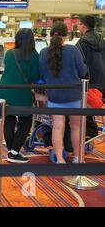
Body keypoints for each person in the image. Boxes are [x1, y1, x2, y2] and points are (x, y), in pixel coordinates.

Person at [39, 21, 88, 164]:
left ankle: (60, 159)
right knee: (76, 127)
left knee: (58, 127)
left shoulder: (44, 52)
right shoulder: (73, 50)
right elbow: (83, 71)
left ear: (50, 35)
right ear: (66, 36)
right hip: (73, 95)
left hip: (54, 96)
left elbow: (42, 75)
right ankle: (78, 158)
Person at [0, 29, 40, 163]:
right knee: (26, 121)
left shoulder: (9, 53)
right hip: (21, 92)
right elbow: (35, 77)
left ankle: (11, 151)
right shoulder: (33, 55)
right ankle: (14, 152)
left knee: (9, 119)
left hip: (4, 90)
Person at [77, 15, 105, 97]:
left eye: (79, 24)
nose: (78, 26)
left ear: (83, 26)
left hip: (90, 87)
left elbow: (79, 65)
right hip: (103, 83)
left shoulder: (81, 43)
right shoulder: (102, 40)